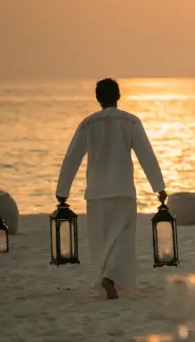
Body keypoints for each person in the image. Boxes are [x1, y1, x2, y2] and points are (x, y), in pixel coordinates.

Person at [55, 78, 166, 299]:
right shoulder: (130, 122)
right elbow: (146, 154)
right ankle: (111, 278)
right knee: (123, 237)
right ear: (118, 96)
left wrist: (62, 190)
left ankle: (107, 277)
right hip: (123, 188)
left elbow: (72, 158)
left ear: (98, 98)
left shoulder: (88, 124)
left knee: (102, 239)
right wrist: (158, 186)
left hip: (96, 191)